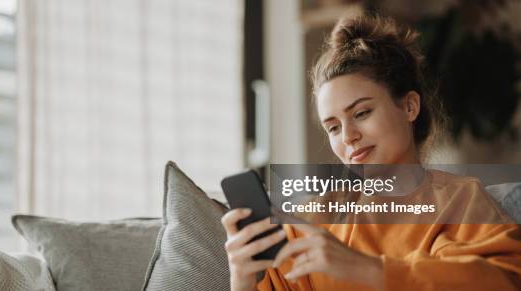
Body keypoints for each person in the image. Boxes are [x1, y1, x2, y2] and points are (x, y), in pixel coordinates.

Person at [220, 13, 521, 291]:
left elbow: (502, 280)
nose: (349, 136)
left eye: (362, 113)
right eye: (333, 127)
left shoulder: (460, 202)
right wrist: (243, 280)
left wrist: (368, 269)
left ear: (409, 106)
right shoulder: (310, 220)